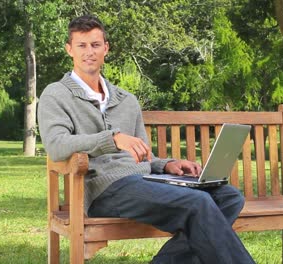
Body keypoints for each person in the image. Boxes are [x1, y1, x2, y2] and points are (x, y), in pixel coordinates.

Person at [38, 14, 255, 264]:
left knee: (228, 197)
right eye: (82, 45)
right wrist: (113, 138)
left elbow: (143, 154)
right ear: (69, 49)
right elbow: (56, 146)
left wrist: (167, 165)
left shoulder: (126, 100)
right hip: (103, 190)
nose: (89, 52)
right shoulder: (56, 94)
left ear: (106, 49)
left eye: (95, 45)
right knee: (198, 202)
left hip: (144, 180)